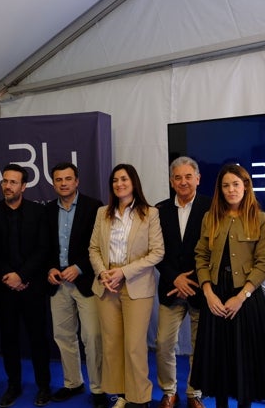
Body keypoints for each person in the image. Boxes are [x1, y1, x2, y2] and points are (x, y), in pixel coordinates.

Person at [190, 163, 265, 408]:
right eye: (226, 185)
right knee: (218, 362)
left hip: (246, 299)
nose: (231, 190)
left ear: (246, 186)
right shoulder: (210, 218)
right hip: (215, 296)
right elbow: (201, 256)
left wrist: (242, 296)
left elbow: (264, 262)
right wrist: (207, 292)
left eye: (236, 184)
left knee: (245, 363)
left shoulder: (260, 219)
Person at [89, 163, 165, 408]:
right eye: (115, 180)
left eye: (124, 179)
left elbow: (157, 252)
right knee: (112, 344)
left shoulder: (149, 213)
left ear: (133, 183)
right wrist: (103, 274)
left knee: (134, 346)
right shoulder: (103, 213)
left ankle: (139, 398)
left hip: (137, 286)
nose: (119, 184)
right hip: (107, 286)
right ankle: (121, 394)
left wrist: (123, 272)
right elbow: (93, 249)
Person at [45, 162, 107, 408]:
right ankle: (73, 382)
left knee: (92, 337)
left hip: (86, 282)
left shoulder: (95, 208)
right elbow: (43, 246)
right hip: (57, 283)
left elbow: (100, 246)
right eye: (58, 179)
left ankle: (99, 388)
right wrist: (49, 268)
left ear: (77, 181)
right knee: (63, 336)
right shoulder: (47, 211)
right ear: (53, 183)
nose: (63, 183)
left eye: (68, 179)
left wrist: (79, 267)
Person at [0, 164, 52, 407]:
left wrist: (22, 276)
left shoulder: (38, 212)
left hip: (32, 288)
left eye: (13, 182)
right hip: (3, 288)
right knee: (8, 339)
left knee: (38, 339)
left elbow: (43, 248)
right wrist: (8, 275)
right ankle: (13, 385)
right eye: (5, 181)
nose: (7, 186)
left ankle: (44, 387)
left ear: (23, 186)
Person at [154, 157, 211, 408]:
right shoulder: (160, 209)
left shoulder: (212, 207)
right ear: (171, 181)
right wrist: (175, 278)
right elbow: (155, 251)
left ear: (198, 179)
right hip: (170, 286)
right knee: (164, 344)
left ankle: (194, 393)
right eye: (177, 177)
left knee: (200, 347)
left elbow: (215, 251)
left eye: (188, 176)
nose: (183, 181)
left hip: (201, 288)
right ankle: (168, 391)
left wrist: (192, 280)